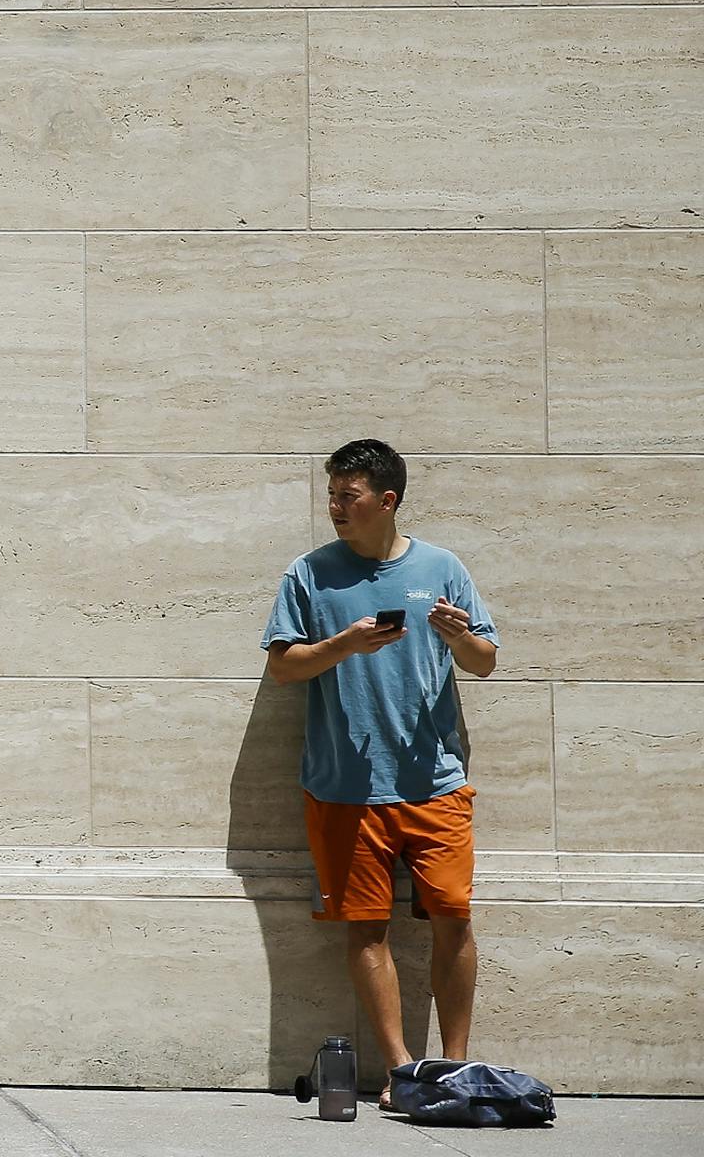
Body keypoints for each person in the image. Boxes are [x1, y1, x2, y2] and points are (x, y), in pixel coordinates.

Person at [261, 439, 499, 1108]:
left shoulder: (441, 567)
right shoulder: (309, 574)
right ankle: (399, 1069)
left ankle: (454, 1066)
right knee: (366, 926)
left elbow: (484, 661)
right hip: (345, 787)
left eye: (349, 495)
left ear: (386, 500)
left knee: (453, 917)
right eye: (332, 494)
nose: (335, 507)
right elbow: (282, 667)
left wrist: (457, 634)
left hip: (435, 783)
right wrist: (342, 645)